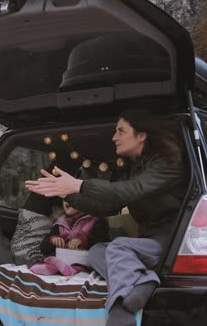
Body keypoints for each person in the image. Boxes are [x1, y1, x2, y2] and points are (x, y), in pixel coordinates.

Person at [25, 108, 186, 326]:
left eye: (121, 131)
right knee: (96, 252)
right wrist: (67, 194)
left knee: (118, 246)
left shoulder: (168, 163)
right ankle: (143, 280)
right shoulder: (133, 168)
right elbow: (109, 206)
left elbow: (131, 190)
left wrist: (80, 184)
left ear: (141, 134)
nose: (114, 137)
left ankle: (121, 308)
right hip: (146, 244)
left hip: (170, 245)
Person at [30, 200, 108, 276]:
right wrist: (52, 240)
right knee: (52, 259)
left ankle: (71, 270)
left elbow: (102, 245)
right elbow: (43, 248)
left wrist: (83, 240)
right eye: (65, 198)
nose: (67, 200)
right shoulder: (60, 222)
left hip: (84, 264)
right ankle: (51, 267)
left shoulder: (95, 221)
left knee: (81, 265)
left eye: (72, 196)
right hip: (61, 260)